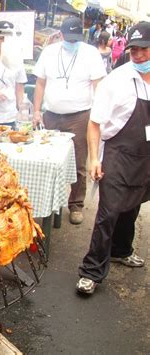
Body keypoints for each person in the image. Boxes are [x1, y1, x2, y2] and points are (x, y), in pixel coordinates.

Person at [76, 21, 149, 295]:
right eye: (134, 50)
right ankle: (91, 271)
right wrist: (94, 158)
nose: (138, 55)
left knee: (133, 205)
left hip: (145, 156)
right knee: (109, 213)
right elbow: (95, 123)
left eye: (144, 49)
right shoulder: (117, 81)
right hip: (118, 153)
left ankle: (121, 250)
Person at [33, 16, 106, 225]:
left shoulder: (90, 53)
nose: (72, 42)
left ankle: (76, 204)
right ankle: (45, 202)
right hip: (52, 114)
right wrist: (36, 111)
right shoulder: (49, 52)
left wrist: (98, 116)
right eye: (69, 38)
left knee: (79, 162)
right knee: (47, 159)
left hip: (80, 116)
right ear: (61, 34)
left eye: (76, 38)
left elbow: (97, 85)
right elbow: (40, 83)